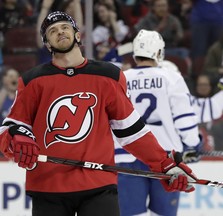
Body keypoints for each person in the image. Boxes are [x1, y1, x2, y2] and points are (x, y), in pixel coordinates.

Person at [0, 11, 199, 216]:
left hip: (98, 185)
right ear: (47, 44)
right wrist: (19, 137)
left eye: (65, 27)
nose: (60, 32)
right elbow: (11, 127)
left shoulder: (108, 75)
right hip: (48, 187)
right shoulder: (32, 80)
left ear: (78, 35)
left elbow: (131, 131)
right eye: (52, 31)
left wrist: (164, 164)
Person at [115, 29, 223, 216]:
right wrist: (193, 144)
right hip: (165, 158)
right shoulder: (171, 78)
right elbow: (186, 119)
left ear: (135, 53)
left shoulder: (121, 79)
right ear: (159, 52)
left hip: (125, 157)